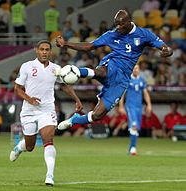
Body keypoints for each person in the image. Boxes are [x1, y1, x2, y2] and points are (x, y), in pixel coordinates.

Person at [55, 10, 172, 139]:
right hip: (113, 64)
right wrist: (66, 44)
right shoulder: (112, 34)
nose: (118, 27)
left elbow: (165, 47)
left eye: (121, 25)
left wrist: (167, 51)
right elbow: (89, 46)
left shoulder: (144, 34)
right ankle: (76, 71)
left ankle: (74, 120)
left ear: (128, 22)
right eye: (116, 24)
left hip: (122, 80)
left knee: (97, 115)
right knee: (102, 72)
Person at [9, 40, 83, 186]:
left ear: (50, 52)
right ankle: (20, 147)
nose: (44, 52)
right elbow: (17, 89)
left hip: (47, 110)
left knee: (48, 141)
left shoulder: (56, 69)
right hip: (29, 111)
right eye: (42, 49)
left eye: (47, 49)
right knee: (30, 147)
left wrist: (77, 100)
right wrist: (29, 99)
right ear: (37, 50)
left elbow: (65, 86)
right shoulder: (27, 67)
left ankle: (50, 175)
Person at [119, 65, 152, 155]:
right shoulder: (128, 79)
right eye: (133, 68)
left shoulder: (141, 80)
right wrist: (121, 106)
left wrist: (149, 104)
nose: (135, 70)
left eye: (137, 68)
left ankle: (130, 149)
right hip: (130, 106)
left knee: (136, 127)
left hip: (139, 107)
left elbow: (145, 93)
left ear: (139, 70)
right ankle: (133, 148)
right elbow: (122, 94)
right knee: (133, 125)